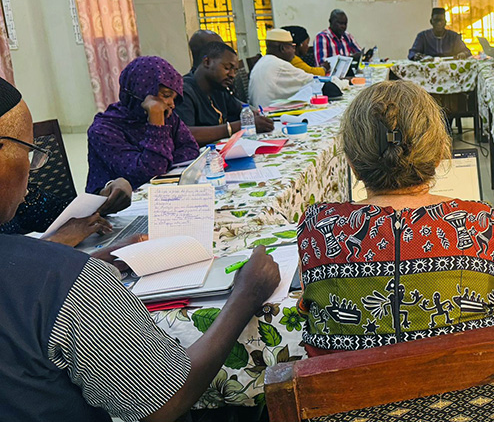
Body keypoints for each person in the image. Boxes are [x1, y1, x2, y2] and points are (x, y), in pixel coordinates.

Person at [0, 76, 282, 422]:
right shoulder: (62, 283)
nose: (32, 171)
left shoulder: (47, 272)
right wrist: (247, 294)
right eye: (29, 152)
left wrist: (83, 261)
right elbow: (163, 402)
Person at [297, 80, 494, 354]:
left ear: (350, 162)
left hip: (348, 383)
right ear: (441, 153)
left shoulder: (317, 228)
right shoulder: (480, 224)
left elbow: (306, 305)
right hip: (469, 382)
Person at [86, 57, 200, 194]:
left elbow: (191, 148)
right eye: (166, 95)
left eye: (173, 98)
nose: (172, 104)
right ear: (141, 91)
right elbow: (149, 171)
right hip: (116, 203)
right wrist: (156, 123)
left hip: (156, 194)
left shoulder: (167, 116)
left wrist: (163, 161)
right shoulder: (103, 129)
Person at [175, 41, 274, 145]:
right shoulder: (184, 91)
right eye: (227, 68)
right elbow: (185, 133)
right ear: (207, 62)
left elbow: (240, 108)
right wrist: (237, 127)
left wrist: (252, 114)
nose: (232, 75)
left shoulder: (218, 88)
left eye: (235, 71)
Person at [0, 177, 132, 247]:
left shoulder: (19, 197)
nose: (29, 167)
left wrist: (104, 198)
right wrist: (54, 242)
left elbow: (56, 212)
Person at [248, 28, 317, 107]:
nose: (294, 51)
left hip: (261, 109)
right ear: (283, 48)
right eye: (292, 46)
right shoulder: (280, 65)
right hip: (269, 111)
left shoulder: (262, 61)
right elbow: (312, 81)